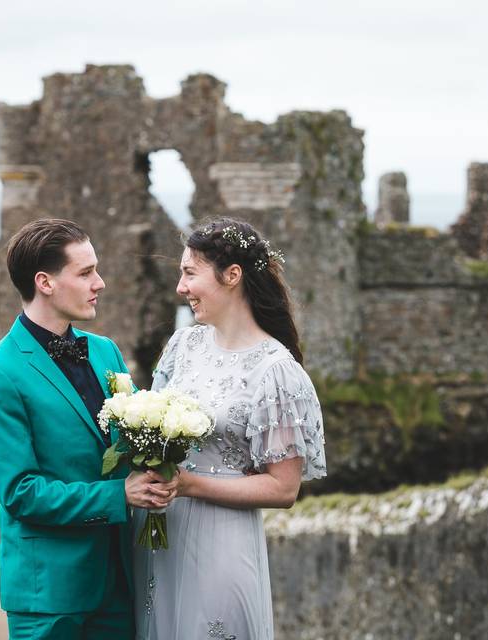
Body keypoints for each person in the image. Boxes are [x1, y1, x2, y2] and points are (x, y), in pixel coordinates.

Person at [0, 218, 179, 640]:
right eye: (85, 273)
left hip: (121, 581)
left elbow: (134, 440)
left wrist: (161, 468)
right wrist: (119, 494)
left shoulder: (106, 352)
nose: (99, 283)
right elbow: (20, 492)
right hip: (49, 596)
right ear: (44, 282)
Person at [133, 217, 327, 639]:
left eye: (189, 273)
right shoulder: (183, 346)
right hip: (157, 539)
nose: (180, 289)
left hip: (221, 541)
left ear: (232, 276)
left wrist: (189, 485)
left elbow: (282, 489)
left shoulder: (275, 370)